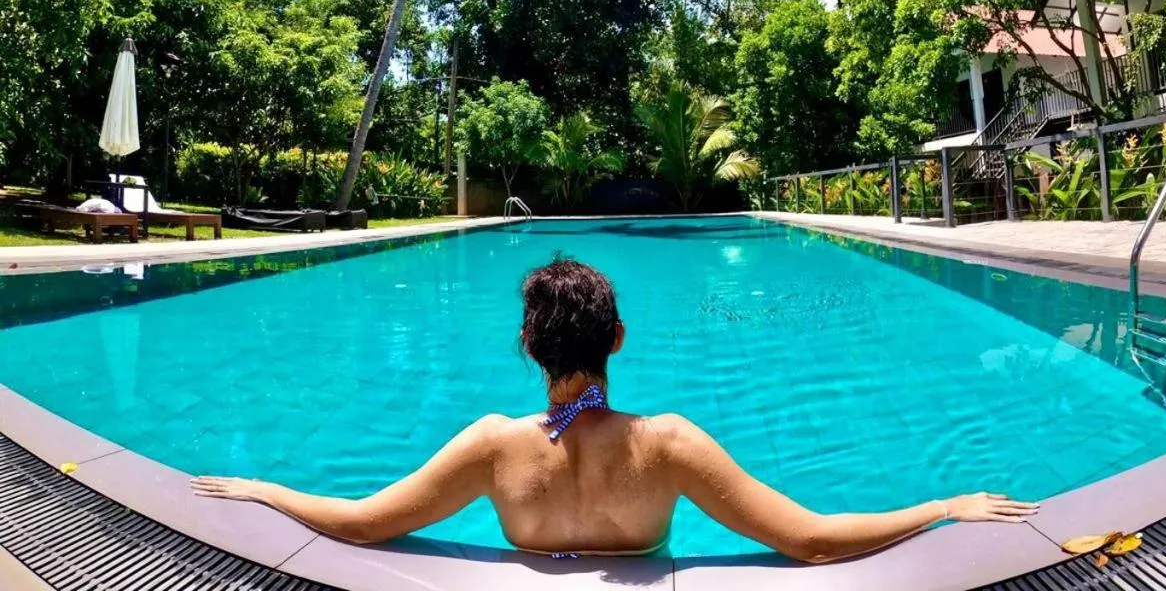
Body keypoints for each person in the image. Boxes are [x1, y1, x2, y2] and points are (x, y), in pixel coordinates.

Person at [192, 256, 1037, 562]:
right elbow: (810, 540)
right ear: (619, 338)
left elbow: (366, 523)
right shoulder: (666, 445)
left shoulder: (493, 447)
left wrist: (267, 489)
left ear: (530, 345)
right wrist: (940, 506)